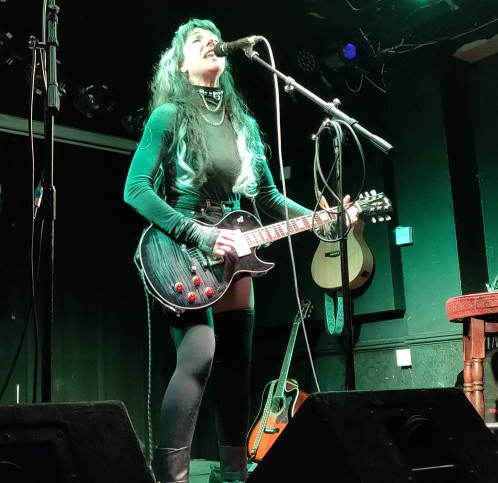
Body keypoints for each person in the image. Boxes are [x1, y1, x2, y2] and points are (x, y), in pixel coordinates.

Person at [123, 18, 358, 483]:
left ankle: (232, 473)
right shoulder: (168, 116)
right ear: (181, 62)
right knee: (201, 354)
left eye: (213, 36)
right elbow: (135, 189)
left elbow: (268, 198)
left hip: (237, 248)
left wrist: (322, 217)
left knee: (236, 367)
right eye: (196, 39)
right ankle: (170, 477)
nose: (210, 41)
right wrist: (203, 235)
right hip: (181, 247)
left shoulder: (243, 124)